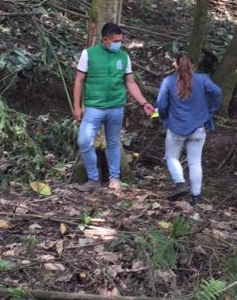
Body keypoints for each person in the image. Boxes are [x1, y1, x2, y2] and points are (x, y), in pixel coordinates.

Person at [73, 23, 155, 191]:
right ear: (105, 40)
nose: (119, 44)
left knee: (113, 143)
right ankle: (93, 179)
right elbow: (79, 80)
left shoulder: (123, 56)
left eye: (120, 41)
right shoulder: (88, 54)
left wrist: (144, 103)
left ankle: (114, 179)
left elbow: (130, 82)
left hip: (116, 107)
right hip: (94, 106)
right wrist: (77, 106)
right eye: (116, 41)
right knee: (84, 141)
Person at [156, 52, 222, 205]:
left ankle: (180, 183)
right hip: (198, 127)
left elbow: (161, 104)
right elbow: (217, 92)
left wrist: (165, 117)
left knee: (171, 157)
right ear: (192, 65)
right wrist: (210, 111)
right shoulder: (202, 79)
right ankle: (196, 196)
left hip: (176, 127)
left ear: (176, 65)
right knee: (195, 161)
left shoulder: (168, 81)